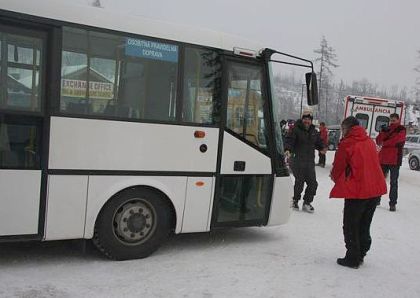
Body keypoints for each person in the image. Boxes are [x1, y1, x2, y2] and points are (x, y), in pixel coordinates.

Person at [330, 116, 387, 269]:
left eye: (343, 129)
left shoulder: (347, 143)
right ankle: (361, 253)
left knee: (350, 224)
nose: (342, 132)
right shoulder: (369, 141)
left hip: (358, 191)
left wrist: (335, 178)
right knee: (364, 223)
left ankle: (352, 258)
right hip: (375, 190)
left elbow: (339, 166)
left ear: (348, 128)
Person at [284, 112, 326, 213]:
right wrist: (288, 149)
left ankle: (307, 202)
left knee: (313, 183)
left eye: (309, 119)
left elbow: (318, 142)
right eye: (305, 119)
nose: (307, 121)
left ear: (311, 121)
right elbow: (289, 141)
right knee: (300, 182)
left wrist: (322, 148)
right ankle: (295, 200)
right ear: (302, 120)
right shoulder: (295, 129)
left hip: (309, 162)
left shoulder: (313, 131)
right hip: (297, 160)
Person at [375, 113, 406, 211]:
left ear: (398, 120)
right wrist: (382, 132)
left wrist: (385, 143)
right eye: (391, 120)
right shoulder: (386, 129)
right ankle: (376, 200)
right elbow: (378, 141)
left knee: (393, 182)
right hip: (384, 158)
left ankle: (392, 203)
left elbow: (398, 141)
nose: (392, 122)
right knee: (379, 180)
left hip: (394, 159)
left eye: (393, 120)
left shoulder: (401, 129)